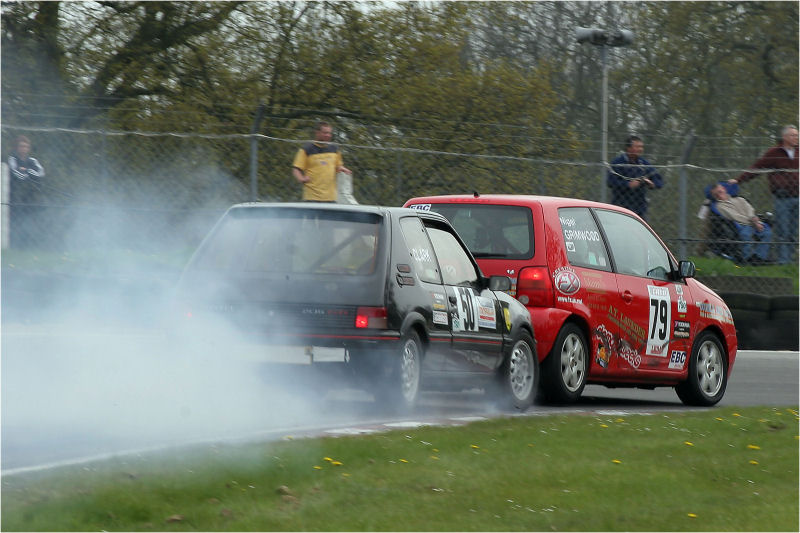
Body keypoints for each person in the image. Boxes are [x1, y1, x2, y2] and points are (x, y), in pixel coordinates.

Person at [732, 125, 798, 264]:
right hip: (782, 198)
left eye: (797, 135)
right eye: (793, 135)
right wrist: (738, 180)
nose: (796, 138)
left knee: (793, 232)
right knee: (783, 231)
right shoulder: (774, 152)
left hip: (797, 196)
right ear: (785, 137)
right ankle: (783, 262)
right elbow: (757, 167)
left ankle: (790, 261)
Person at [707, 181, 772, 264]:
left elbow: (750, 210)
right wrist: (754, 223)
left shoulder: (740, 199)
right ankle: (747, 258)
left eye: (720, 192)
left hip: (753, 221)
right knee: (746, 234)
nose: (719, 196)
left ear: (724, 189)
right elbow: (736, 217)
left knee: (767, 232)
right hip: (741, 225)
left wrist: (754, 219)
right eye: (716, 195)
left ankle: (759, 257)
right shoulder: (720, 206)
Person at [292, 121, 351, 202]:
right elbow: (296, 169)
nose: (328, 135)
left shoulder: (334, 148)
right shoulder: (307, 148)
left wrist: (342, 169)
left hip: (331, 198)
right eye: (325, 133)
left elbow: (338, 165)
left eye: (330, 133)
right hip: (311, 197)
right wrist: (301, 179)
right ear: (317, 133)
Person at [607, 135, 664, 219]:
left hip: (640, 208)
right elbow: (610, 182)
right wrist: (628, 185)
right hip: (621, 206)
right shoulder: (618, 162)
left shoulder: (644, 163)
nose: (641, 149)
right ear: (628, 148)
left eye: (641, 147)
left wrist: (652, 184)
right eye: (637, 147)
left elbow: (659, 180)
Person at [7, 135, 45, 248]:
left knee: (30, 222)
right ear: (17, 148)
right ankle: (14, 246)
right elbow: (17, 174)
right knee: (15, 222)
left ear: (28, 148)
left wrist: (27, 170)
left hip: (30, 198)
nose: (24, 148)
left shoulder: (32, 161)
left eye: (26, 146)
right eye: (21, 146)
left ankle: (29, 246)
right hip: (14, 197)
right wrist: (29, 174)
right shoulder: (12, 159)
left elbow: (41, 173)